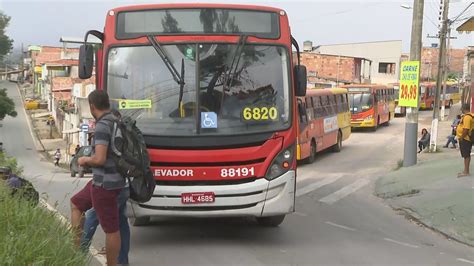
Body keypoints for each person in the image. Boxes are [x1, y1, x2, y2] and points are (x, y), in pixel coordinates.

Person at [70, 90, 125, 266]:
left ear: (92, 106)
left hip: (105, 185)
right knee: (76, 203)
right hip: (111, 180)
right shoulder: (116, 121)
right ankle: (76, 254)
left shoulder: (102, 125)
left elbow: (100, 159)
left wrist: (84, 159)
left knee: (111, 228)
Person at [81, 186, 130, 265]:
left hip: (107, 187)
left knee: (92, 216)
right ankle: (121, 260)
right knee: (121, 220)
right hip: (124, 187)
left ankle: (79, 254)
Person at [456, 104, 474, 177]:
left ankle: (466, 171)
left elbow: (466, 129)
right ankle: (465, 170)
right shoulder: (471, 115)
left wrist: (462, 137)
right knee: (466, 155)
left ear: (463, 109)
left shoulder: (467, 117)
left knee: (466, 155)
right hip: (467, 138)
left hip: (466, 138)